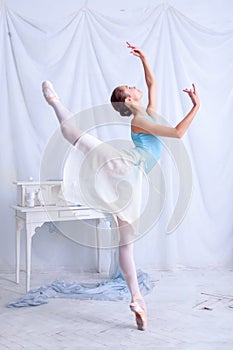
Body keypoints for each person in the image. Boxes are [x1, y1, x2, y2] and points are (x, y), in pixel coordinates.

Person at [42, 42, 200, 331]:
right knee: (126, 243)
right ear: (128, 100)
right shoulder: (141, 119)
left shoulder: (148, 112)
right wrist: (196, 106)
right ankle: (54, 101)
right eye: (131, 87)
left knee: (76, 138)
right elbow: (177, 133)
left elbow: (152, 83)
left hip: (129, 176)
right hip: (126, 170)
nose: (137, 86)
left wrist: (144, 57)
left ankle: (138, 300)